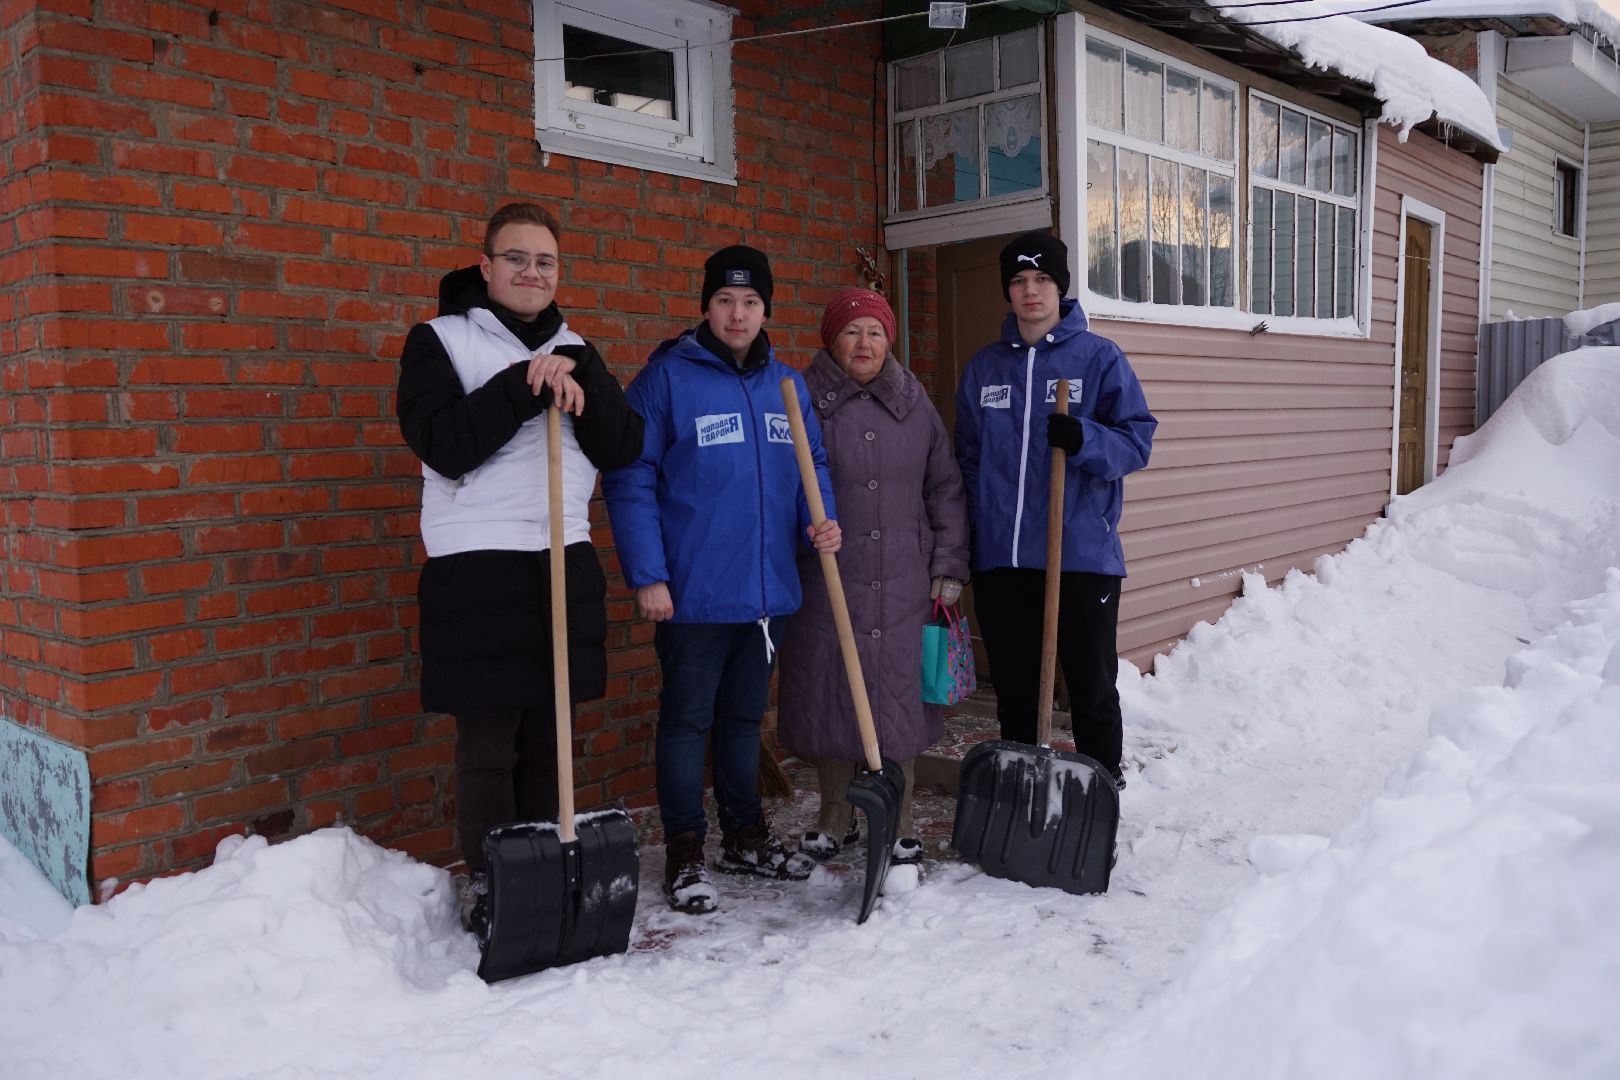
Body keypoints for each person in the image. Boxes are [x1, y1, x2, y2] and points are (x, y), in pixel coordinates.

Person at [395, 202, 644, 922]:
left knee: (548, 734)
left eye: (545, 261)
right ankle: (495, 881)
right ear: (486, 266)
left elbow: (624, 447)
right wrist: (524, 383)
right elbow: (442, 443)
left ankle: (548, 865)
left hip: (561, 558)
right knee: (489, 744)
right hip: (479, 566)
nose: (531, 272)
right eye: (516, 258)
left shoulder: (579, 346)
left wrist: (584, 386)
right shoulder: (439, 342)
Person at [603, 244, 842, 915]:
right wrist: (648, 575)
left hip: (766, 593)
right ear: (705, 306)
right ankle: (684, 851)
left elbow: (811, 466)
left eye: (751, 302)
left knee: (742, 722)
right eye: (725, 301)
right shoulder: (666, 381)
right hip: (693, 594)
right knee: (686, 722)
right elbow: (629, 480)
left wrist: (820, 522)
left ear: (767, 309)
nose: (738, 314)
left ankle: (744, 835)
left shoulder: (784, 386)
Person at [954, 231, 1156, 791]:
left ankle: (1101, 793)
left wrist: (1086, 437)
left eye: (1041, 279)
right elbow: (967, 457)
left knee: (1091, 687)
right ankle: (1020, 794)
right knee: (1015, 689)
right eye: (1018, 281)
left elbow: (1136, 443)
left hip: (1080, 553)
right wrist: (979, 529)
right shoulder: (984, 369)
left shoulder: (1098, 358)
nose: (1030, 291)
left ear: (1060, 287)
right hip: (1005, 559)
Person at [777, 288, 969, 863]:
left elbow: (946, 489)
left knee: (900, 695)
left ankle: (902, 810)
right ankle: (834, 810)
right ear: (831, 339)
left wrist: (949, 565)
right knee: (828, 690)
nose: (865, 343)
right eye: (852, 331)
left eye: (876, 332)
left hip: (906, 578)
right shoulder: (800, 401)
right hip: (826, 576)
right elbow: (778, 488)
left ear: (891, 340)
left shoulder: (916, 405)